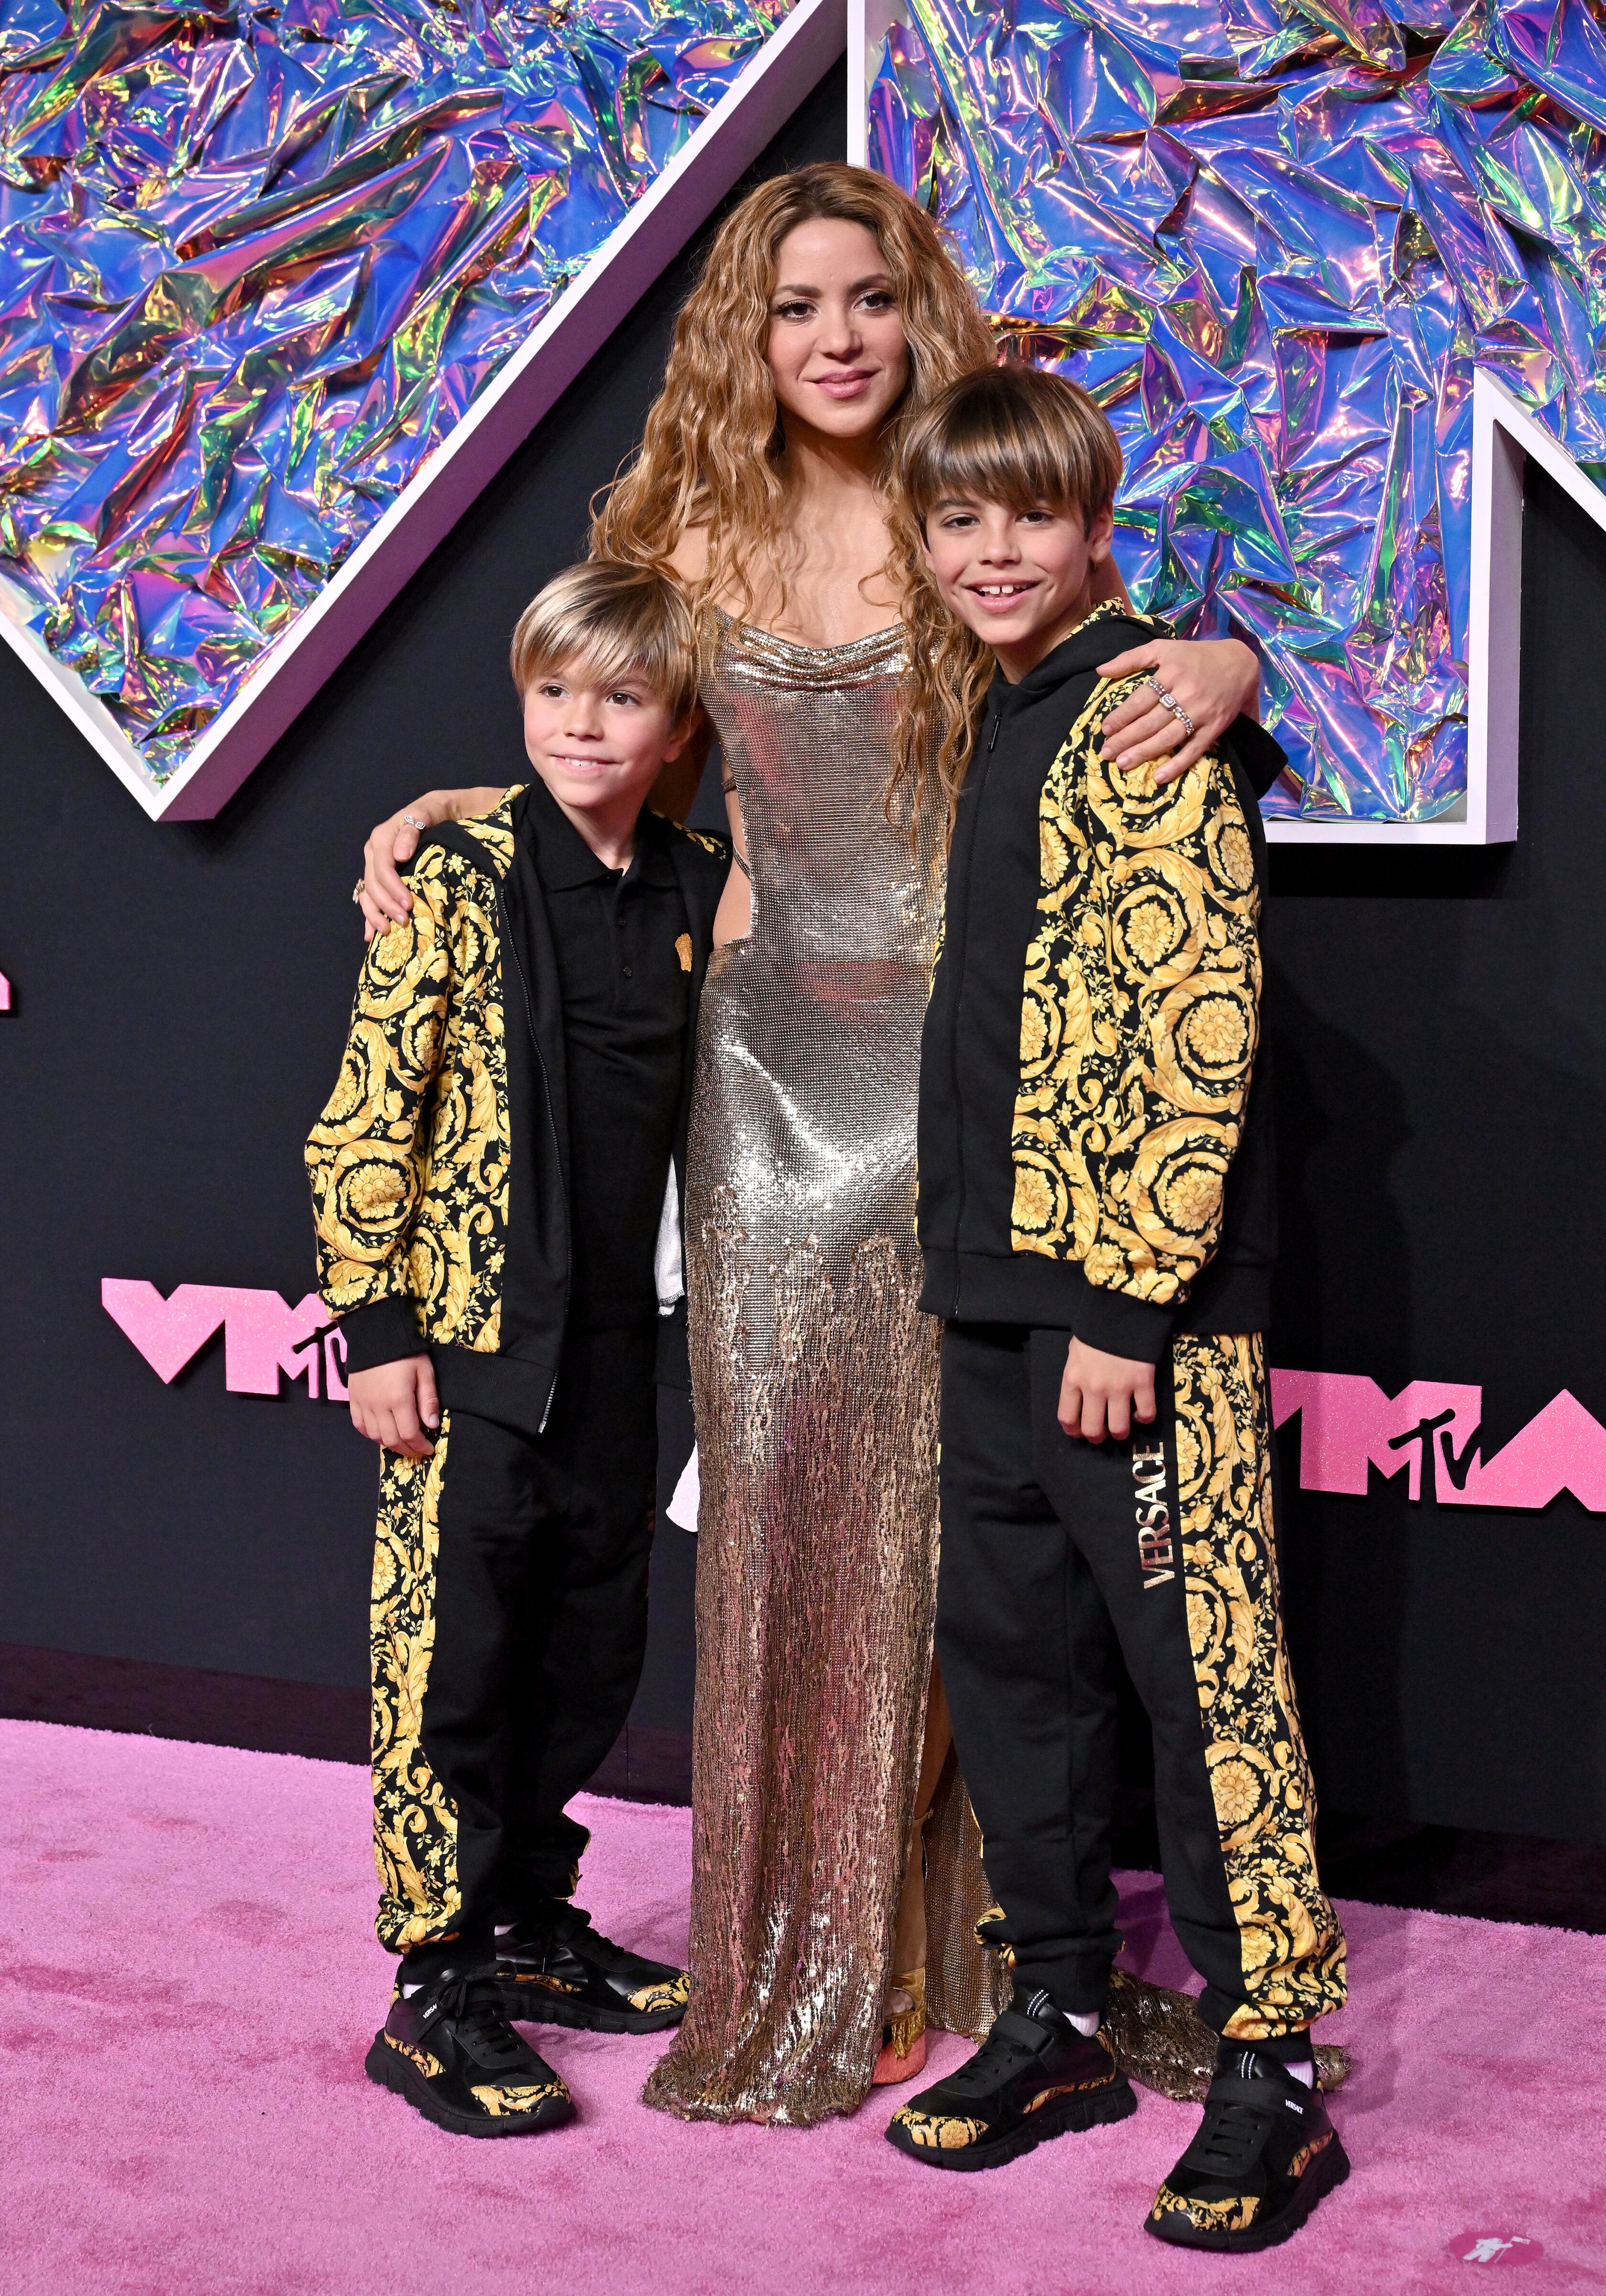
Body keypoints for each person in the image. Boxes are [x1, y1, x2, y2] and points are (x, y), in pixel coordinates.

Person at [354, 163, 1278, 2126]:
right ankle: (800, 1940)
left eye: (866, 297)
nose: (836, 337)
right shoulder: (680, 519)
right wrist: (460, 797)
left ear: (913, 306)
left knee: (970, 1545)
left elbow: (1097, 678)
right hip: (764, 1076)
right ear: (744, 335)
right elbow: (605, 729)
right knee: (781, 1515)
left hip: (967, 1077)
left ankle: (998, 1950)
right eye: (794, 308)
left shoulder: (971, 498)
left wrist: (1239, 668)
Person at [883, 361, 1348, 2250]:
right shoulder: (1012, 714)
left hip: (1131, 1317)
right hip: (993, 1299)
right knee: (1016, 1671)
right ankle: (1061, 2009)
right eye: (961, 520)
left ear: (1093, 531)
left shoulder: (1148, 703)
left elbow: (1193, 1025)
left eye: (1031, 519)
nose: (996, 552)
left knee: (1201, 1683)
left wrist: (1130, 1305)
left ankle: (1275, 2070)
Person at [306, 562, 730, 2137]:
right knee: (454, 1669)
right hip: (475, 1357)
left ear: (678, 724)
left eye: (621, 699)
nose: (580, 724)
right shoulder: (457, 878)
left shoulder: (700, 886)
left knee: (584, 1655)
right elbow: (366, 1117)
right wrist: (379, 1328)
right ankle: (436, 1986)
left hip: (630, 1354)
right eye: (555, 692)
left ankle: (534, 1926)